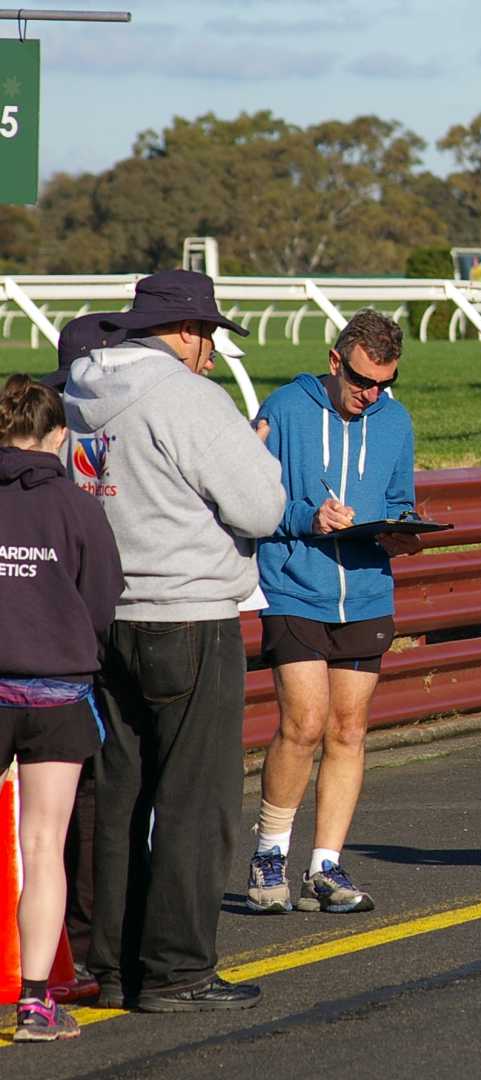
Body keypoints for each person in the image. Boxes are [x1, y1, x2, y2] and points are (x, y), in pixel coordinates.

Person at [63, 269, 287, 1013]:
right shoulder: (188, 399)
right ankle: (180, 971)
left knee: (117, 798)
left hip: (104, 616)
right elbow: (259, 507)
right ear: (186, 332)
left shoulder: (81, 391)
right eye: (211, 338)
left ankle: (117, 966)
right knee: (197, 801)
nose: (213, 355)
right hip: (187, 613)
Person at [246, 310, 419, 916]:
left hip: (367, 592)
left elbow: (400, 500)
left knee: (348, 729)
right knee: (305, 722)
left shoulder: (395, 422)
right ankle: (270, 853)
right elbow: (249, 497)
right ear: (335, 361)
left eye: (384, 384)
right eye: (363, 381)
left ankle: (325, 866)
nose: (372, 395)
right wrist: (306, 517)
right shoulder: (285, 410)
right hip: (293, 586)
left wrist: (401, 531)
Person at [0, 375, 123, 1041]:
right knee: (44, 845)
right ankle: (37, 1004)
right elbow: (102, 599)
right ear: (58, 437)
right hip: (56, 692)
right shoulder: (78, 508)